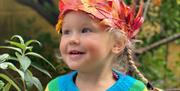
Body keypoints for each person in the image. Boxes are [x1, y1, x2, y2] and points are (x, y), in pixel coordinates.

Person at [45, 0, 160, 91]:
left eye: (85, 30)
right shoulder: (55, 88)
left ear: (117, 43)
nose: (72, 40)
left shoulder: (135, 89)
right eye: (66, 32)